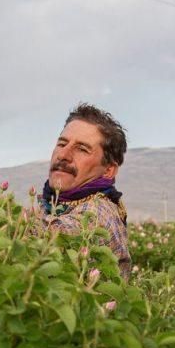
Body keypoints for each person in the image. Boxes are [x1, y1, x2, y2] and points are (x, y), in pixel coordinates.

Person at [36, 103, 131, 279]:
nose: (63, 155)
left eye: (82, 149)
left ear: (108, 170)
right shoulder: (51, 204)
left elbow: (61, 234)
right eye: (62, 144)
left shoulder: (101, 211)